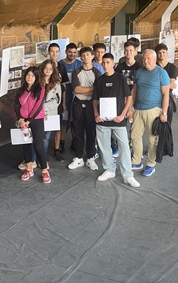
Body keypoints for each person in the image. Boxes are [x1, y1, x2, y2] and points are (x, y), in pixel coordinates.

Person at [92, 53, 140, 188]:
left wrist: (123, 114)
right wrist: (96, 114)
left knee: (124, 146)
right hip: (103, 120)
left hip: (118, 119)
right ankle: (109, 169)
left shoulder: (120, 78)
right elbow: (95, 99)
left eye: (108, 62)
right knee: (104, 146)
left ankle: (128, 175)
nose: (105, 65)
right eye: (103, 63)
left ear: (113, 64)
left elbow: (128, 97)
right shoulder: (99, 80)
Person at [131, 49, 170, 177]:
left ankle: (151, 164)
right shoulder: (139, 72)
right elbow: (134, 91)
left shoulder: (161, 73)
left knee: (152, 140)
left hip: (153, 110)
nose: (145, 61)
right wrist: (130, 108)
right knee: (135, 136)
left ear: (154, 59)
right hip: (138, 109)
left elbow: (166, 94)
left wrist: (164, 113)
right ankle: (136, 161)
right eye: (144, 58)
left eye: (148, 58)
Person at [68, 47, 101, 171]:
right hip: (78, 104)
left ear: (92, 56)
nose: (85, 57)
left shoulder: (97, 72)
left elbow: (98, 90)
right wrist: (92, 88)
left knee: (91, 133)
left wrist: (85, 90)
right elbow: (76, 89)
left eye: (87, 54)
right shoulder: (76, 72)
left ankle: (90, 157)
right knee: (78, 132)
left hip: (92, 105)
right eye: (82, 55)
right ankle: (79, 157)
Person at [15, 67, 49, 183]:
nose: (30, 77)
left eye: (33, 76)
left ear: (36, 77)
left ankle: (44, 170)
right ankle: (29, 169)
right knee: (26, 145)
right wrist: (20, 119)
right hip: (23, 120)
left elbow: (38, 106)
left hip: (36, 120)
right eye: (28, 75)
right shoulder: (20, 90)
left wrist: (28, 121)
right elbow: (16, 106)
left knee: (38, 146)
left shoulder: (41, 89)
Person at [55, 43, 83, 162]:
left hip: (77, 96)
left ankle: (74, 142)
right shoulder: (60, 64)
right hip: (65, 97)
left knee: (75, 120)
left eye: (74, 52)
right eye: (70, 52)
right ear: (66, 52)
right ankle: (61, 143)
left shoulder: (79, 64)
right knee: (64, 121)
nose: (72, 54)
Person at [155, 42, 178, 123]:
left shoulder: (172, 67)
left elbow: (172, 85)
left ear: (167, 53)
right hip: (155, 97)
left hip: (168, 97)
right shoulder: (154, 67)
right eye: (159, 52)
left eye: (163, 52)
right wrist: (167, 85)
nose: (161, 54)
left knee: (167, 122)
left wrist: (158, 86)